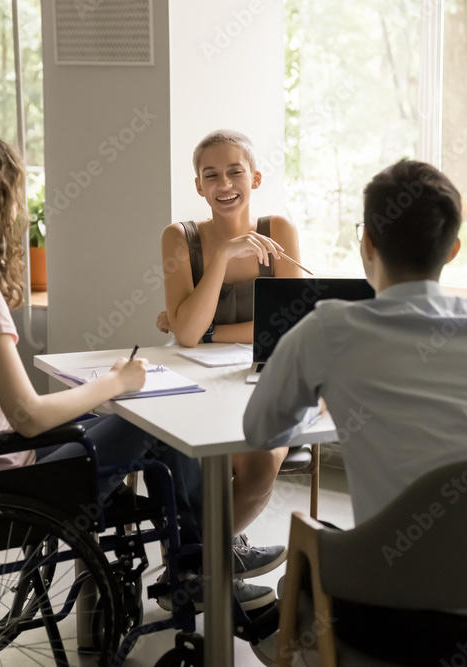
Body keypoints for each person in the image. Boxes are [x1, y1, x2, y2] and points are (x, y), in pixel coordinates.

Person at [0, 134, 276, 611]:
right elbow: (27, 416)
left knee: (138, 413)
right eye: (12, 198)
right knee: (160, 421)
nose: (17, 211)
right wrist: (114, 384)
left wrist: (109, 392)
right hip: (10, 482)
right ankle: (199, 570)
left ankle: (194, 565)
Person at [244, 159, 467, 664]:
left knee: (294, 586)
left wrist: (322, 405)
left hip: (394, 623)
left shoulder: (329, 329)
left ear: (367, 244)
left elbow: (260, 429)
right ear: (452, 251)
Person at [157, 130, 302, 558]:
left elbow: (288, 325)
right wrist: (221, 257)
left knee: (259, 467)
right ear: (198, 186)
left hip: (263, 379)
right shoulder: (178, 238)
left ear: (255, 178)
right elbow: (185, 336)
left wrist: (208, 331)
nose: (224, 185)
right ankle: (210, 564)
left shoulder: (279, 231)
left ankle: (194, 560)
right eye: (211, 175)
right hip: (194, 381)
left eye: (235, 172)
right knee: (196, 458)